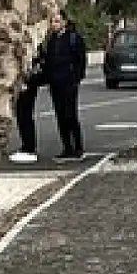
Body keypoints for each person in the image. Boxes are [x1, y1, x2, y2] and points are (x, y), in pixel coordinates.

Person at [44, 9, 88, 160]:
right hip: (55, 82)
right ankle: (67, 147)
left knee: (71, 115)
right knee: (60, 115)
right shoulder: (52, 40)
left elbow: (81, 60)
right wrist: (48, 78)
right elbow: (48, 60)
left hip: (69, 82)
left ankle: (78, 147)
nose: (54, 24)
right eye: (52, 22)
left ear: (64, 22)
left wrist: (77, 78)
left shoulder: (73, 38)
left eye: (56, 21)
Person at [9, 41, 49, 164]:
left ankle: (29, 146)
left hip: (28, 83)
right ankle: (26, 144)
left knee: (25, 114)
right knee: (21, 115)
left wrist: (28, 79)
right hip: (21, 82)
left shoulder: (34, 47)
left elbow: (37, 64)